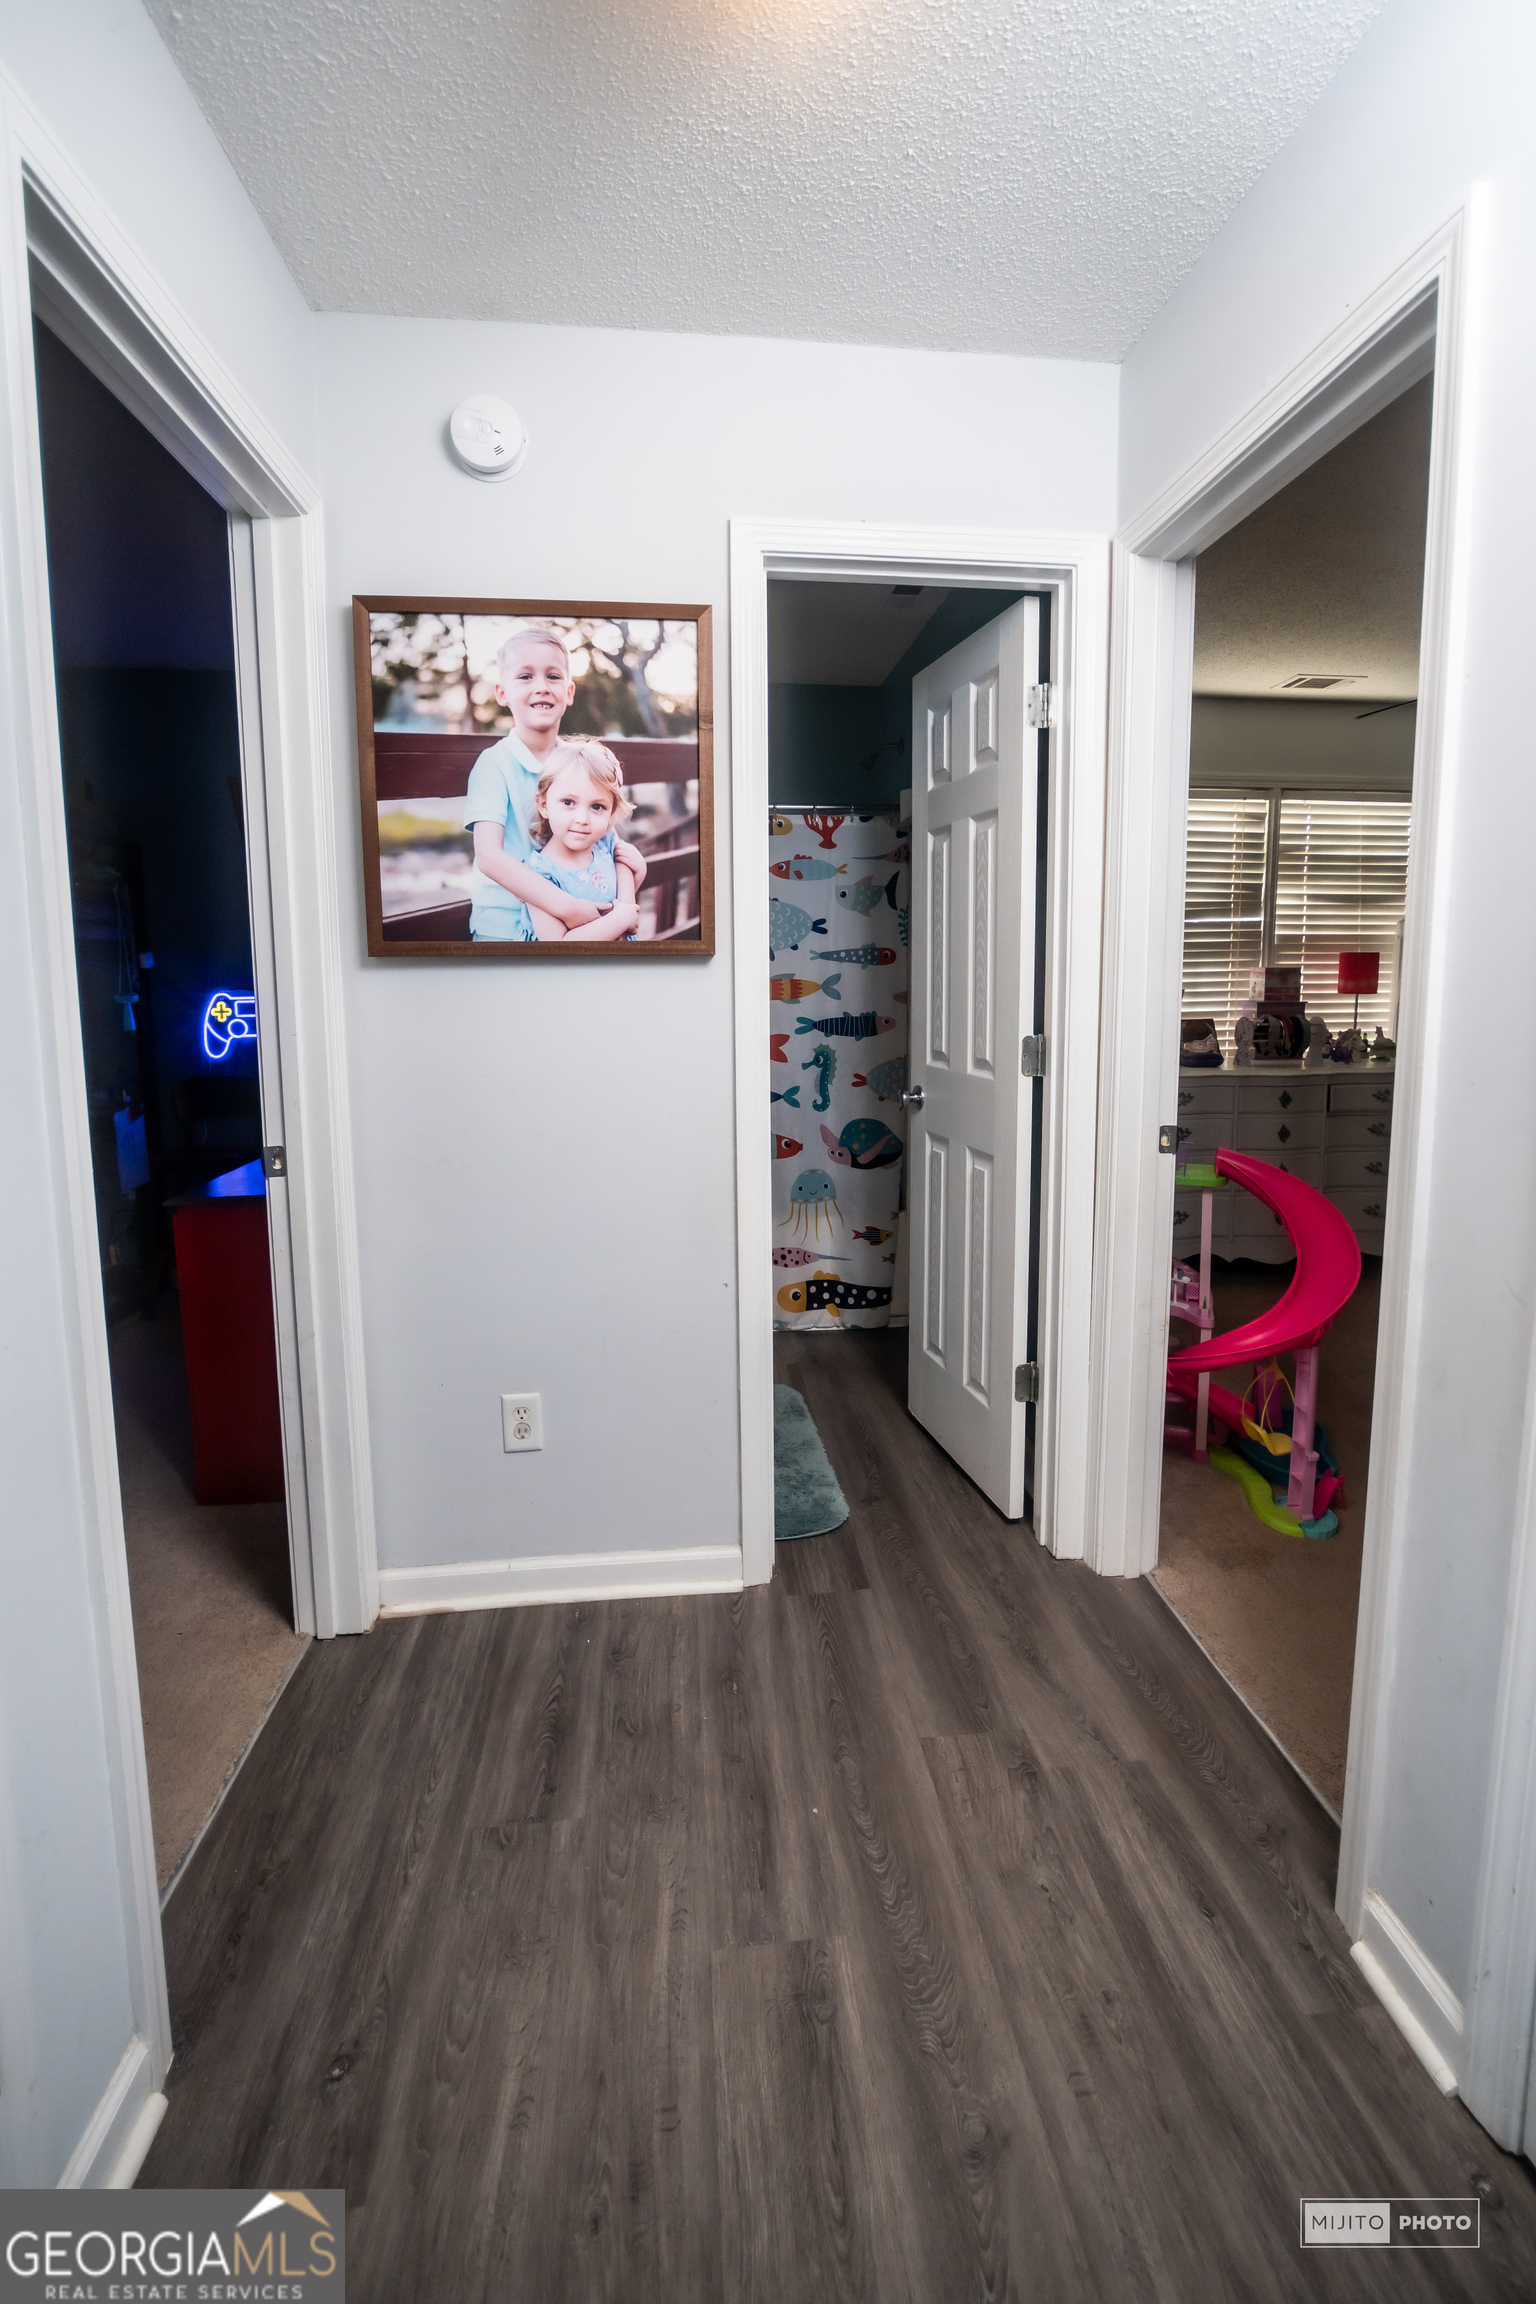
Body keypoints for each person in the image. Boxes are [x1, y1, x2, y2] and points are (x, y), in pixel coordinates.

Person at [463, 626, 646, 940]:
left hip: (585, 926)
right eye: (525, 676)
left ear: (569, 693)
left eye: (553, 676)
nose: (541, 687)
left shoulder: (583, 763)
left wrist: (631, 883)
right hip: (507, 931)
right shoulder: (495, 764)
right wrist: (567, 907)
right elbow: (489, 856)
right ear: (502, 692)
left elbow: (609, 845)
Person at [525, 742, 640, 941]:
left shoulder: (608, 843)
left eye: (597, 806)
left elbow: (628, 908)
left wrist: (639, 872)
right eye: (568, 802)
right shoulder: (538, 874)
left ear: (610, 813)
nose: (582, 819)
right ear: (544, 805)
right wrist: (620, 920)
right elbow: (559, 946)